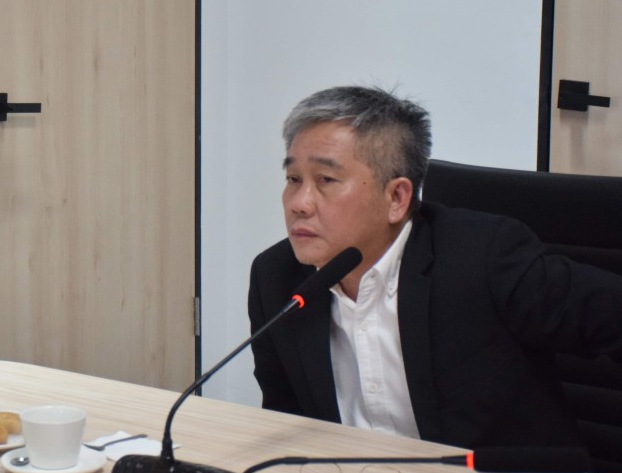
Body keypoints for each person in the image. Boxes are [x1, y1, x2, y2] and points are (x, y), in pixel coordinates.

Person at [248, 85, 622, 450]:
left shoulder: (484, 258)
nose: (299, 203)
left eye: (326, 180)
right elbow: (287, 425)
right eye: (293, 179)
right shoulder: (275, 277)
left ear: (396, 198)